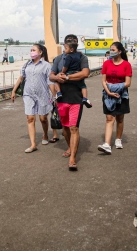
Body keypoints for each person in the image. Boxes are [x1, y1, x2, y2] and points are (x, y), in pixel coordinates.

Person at [50, 34, 90, 171]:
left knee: (74, 127)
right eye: (67, 42)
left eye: (72, 42)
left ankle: (73, 158)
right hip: (61, 97)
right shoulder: (58, 59)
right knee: (65, 128)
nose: (69, 44)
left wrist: (66, 76)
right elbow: (51, 75)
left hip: (76, 97)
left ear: (76, 45)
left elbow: (85, 73)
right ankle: (69, 146)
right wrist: (57, 77)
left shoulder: (82, 58)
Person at [11, 44, 54, 153]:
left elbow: (50, 82)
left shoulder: (46, 66)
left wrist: (55, 96)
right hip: (28, 95)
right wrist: (13, 91)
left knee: (43, 118)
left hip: (42, 95)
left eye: (34, 50)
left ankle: (45, 135)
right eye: (31, 50)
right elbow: (21, 77)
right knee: (30, 118)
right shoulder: (27, 65)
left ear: (40, 52)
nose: (32, 52)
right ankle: (33, 144)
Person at [98, 42, 133, 154]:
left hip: (121, 95)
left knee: (120, 118)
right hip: (108, 94)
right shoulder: (107, 63)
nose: (111, 52)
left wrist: (114, 89)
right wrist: (109, 91)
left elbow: (128, 83)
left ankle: (118, 139)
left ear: (120, 51)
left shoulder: (126, 65)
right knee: (109, 118)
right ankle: (107, 144)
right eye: (110, 49)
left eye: (113, 50)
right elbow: (103, 80)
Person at [54, 42, 92, 108]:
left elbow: (65, 66)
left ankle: (59, 93)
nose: (64, 50)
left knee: (57, 81)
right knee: (83, 86)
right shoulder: (79, 54)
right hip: (77, 73)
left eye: (65, 48)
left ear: (71, 50)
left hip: (69, 73)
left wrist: (62, 72)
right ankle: (85, 98)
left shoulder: (68, 57)